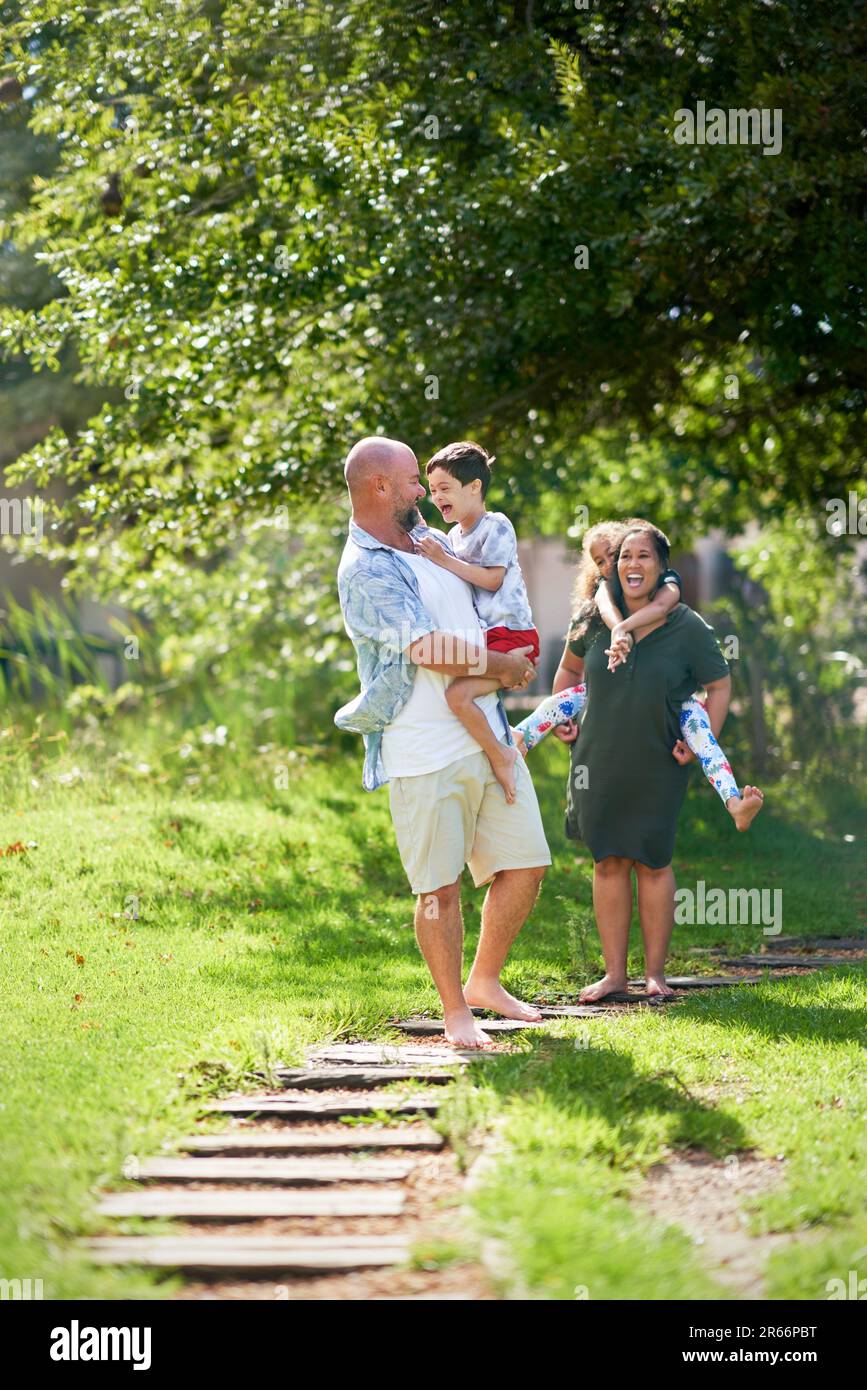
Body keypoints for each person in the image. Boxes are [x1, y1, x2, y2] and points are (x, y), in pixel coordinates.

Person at [334, 436, 552, 1047]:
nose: (422, 492)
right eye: (411, 481)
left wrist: (503, 663)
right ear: (380, 487)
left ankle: (486, 981)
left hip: (486, 735)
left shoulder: (435, 539)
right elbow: (426, 650)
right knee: (440, 889)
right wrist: (502, 667)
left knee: (526, 863)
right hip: (425, 749)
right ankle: (456, 1013)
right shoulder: (366, 568)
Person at [553, 520, 748, 1001]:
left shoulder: (687, 626)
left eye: (643, 557)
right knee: (607, 862)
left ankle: (655, 975)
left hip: (659, 761)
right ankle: (615, 976)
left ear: (663, 567)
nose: (632, 565)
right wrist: (561, 717)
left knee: (653, 862)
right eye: (624, 557)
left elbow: (719, 684)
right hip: (595, 761)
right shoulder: (591, 619)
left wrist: (705, 737)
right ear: (612, 568)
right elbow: (569, 669)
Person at [513, 520, 764, 832]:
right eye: (599, 561)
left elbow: (663, 607)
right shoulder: (600, 600)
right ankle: (521, 738)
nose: (607, 567)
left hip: (676, 704)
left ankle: (733, 800)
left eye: (611, 556)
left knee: (704, 738)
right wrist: (567, 723)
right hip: (605, 703)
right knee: (562, 700)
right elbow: (571, 666)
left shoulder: (668, 585)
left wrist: (624, 629)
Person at [413, 440, 538, 806]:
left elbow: (492, 579)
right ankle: (506, 741)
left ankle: (505, 753)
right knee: (455, 686)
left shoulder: (495, 525)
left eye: (445, 488)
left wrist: (443, 560)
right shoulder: (453, 536)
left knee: (457, 695)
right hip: (489, 637)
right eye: (432, 490)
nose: (436, 497)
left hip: (512, 633)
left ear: (474, 487)